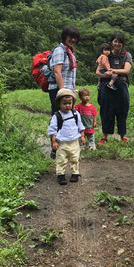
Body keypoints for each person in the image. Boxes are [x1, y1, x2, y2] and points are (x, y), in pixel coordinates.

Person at [48, 26, 80, 159]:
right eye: (70, 37)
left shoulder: (70, 52)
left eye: (75, 38)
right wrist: (63, 92)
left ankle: (66, 147)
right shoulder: (60, 50)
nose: (72, 39)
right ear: (64, 37)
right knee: (58, 118)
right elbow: (57, 72)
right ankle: (56, 148)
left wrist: (74, 90)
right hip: (59, 90)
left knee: (68, 118)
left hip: (68, 90)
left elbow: (71, 74)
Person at [96, 33, 132, 145]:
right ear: (112, 42)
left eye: (119, 42)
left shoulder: (126, 55)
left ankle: (122, 136)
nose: (117, 44)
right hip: (106, 85)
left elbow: (126, 70)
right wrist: (105, 75)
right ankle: (105, 136)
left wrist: (112, 71)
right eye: (115, 41)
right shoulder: (106, 55)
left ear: (123, 43)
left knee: (122, 110)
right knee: (106, 111)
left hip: (121, 85)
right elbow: (98, 71)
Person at [47, 89, 86, 185]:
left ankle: (75, 173)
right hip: (62, 143)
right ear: (59, 103)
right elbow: (53, 130)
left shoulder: (75, 114)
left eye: (70, 103)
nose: (68, 105)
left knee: (75, 158)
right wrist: (54, 142)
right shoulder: (57, 116)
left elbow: (80, 126)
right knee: (61, 159)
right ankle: (61, 175)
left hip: (74, 142)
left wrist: (82, 136)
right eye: (64, 103)